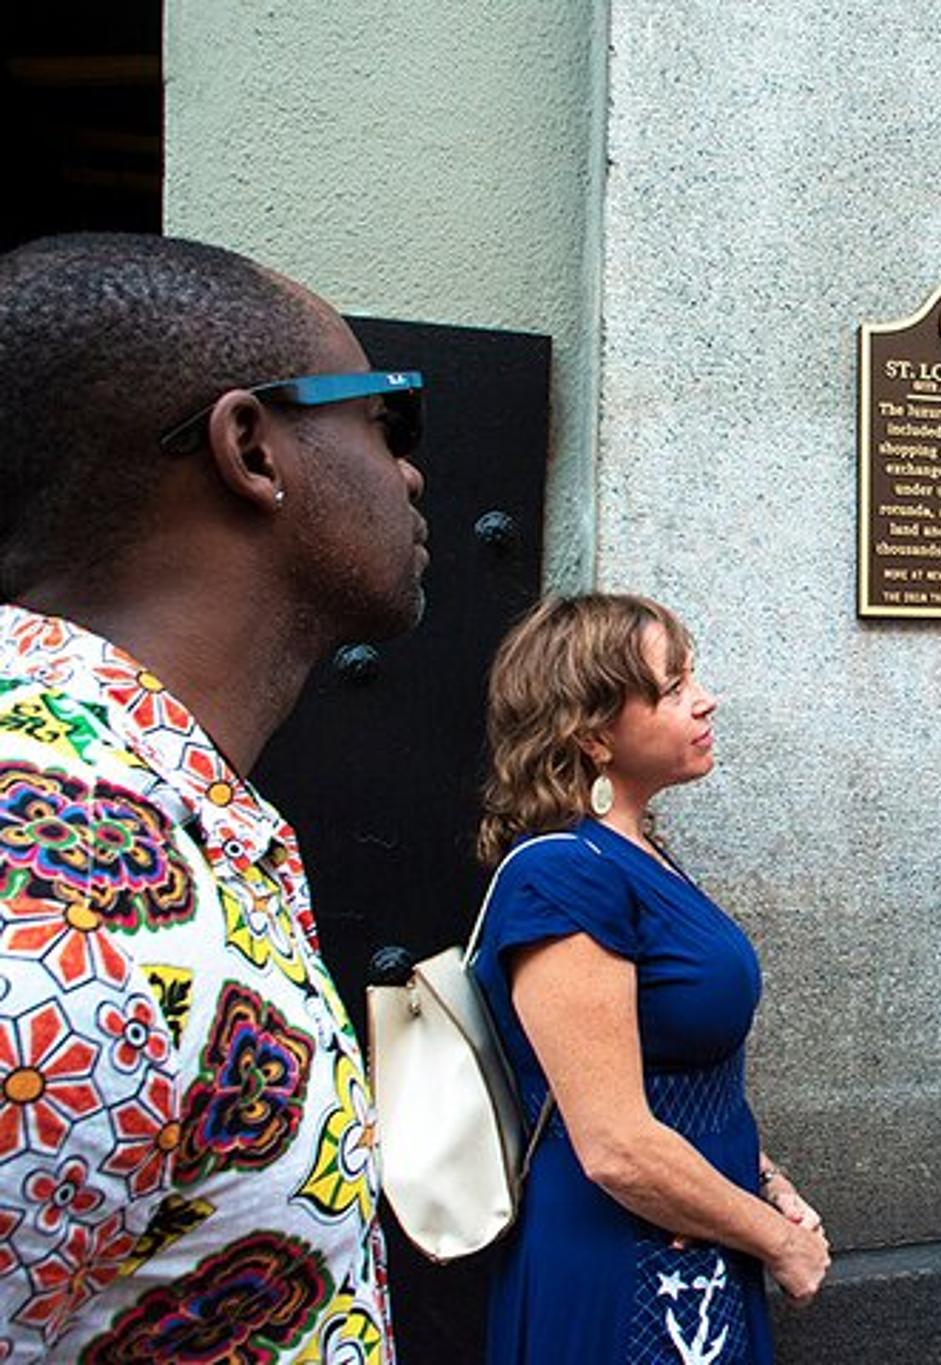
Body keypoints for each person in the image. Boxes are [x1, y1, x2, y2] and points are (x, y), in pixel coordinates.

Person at [0, 233, 427, 1359]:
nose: (412, 472)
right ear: (252, 447)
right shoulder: (55, 896)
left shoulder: (157, 808)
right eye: (387, 421)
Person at [471, 593, 829, 1363]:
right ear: (595, 733)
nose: (706, 700)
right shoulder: (565, 876)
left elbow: (689, 1081)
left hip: (696, 1248)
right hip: (620, 1270)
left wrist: (766, 1181)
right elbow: (615, 1145)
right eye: (672, 688)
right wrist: (779, 1243)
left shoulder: (636, 854)